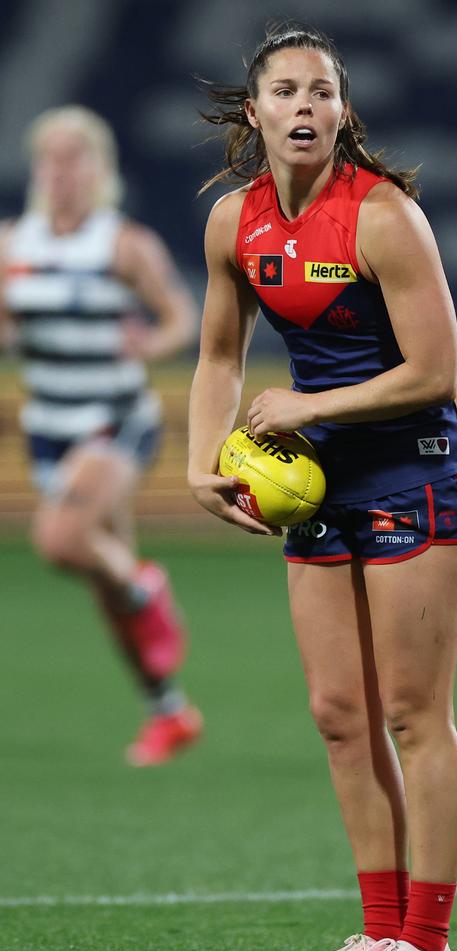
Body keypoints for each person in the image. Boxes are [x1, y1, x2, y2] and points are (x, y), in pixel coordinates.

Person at [188, 23, 457, 951]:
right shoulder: (235, 221)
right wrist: (201, 461)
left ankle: (427, 949)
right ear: (255, 110)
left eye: (321, 91)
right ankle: (378, 932)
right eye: (285, 91)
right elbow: (219, 356)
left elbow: (436, 373)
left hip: (413, 470)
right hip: (320, 484)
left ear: (342, 111)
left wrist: (308, 403)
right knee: (339, 715)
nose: (304, 107)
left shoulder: (385, 216)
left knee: (412, 714)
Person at [0, 105, 203, 766]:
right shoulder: (13, 245)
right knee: (104, 585)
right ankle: (169, 710)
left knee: (62, 542)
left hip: (114, 416)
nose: (61, 171)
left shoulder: (123, 244)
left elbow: (180, 316)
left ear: (99, 169)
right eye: (50, 158)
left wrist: (153, 341)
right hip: (49, 425)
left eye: (75, 157)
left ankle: (151, 587)